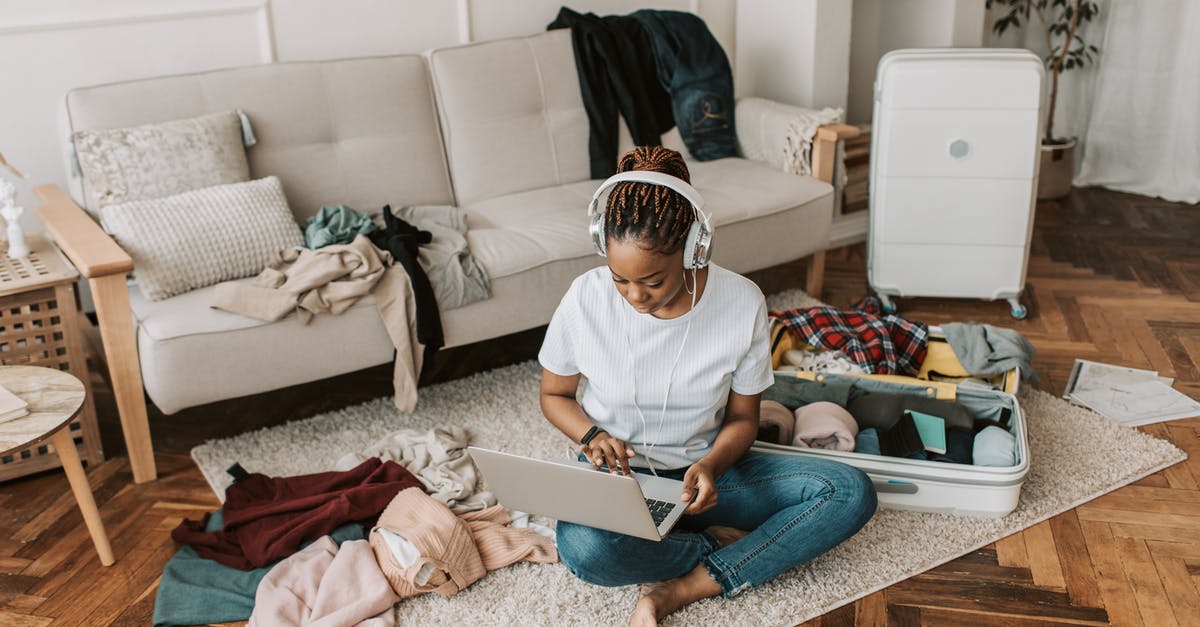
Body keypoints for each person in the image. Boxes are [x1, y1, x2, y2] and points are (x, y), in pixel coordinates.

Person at [538, 145, 878, 626]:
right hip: (621, 482)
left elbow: (744, 418)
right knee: (585, 549)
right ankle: (716, 545)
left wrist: (712, 464)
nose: (636, 297)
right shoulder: (585, 299)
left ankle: (679, 589)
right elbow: (554, 395)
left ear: (694, 246)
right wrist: (592, 436)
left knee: (848, 492)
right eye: (621, 280)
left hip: (711, 477)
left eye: (653, 281)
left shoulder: (740, 303)